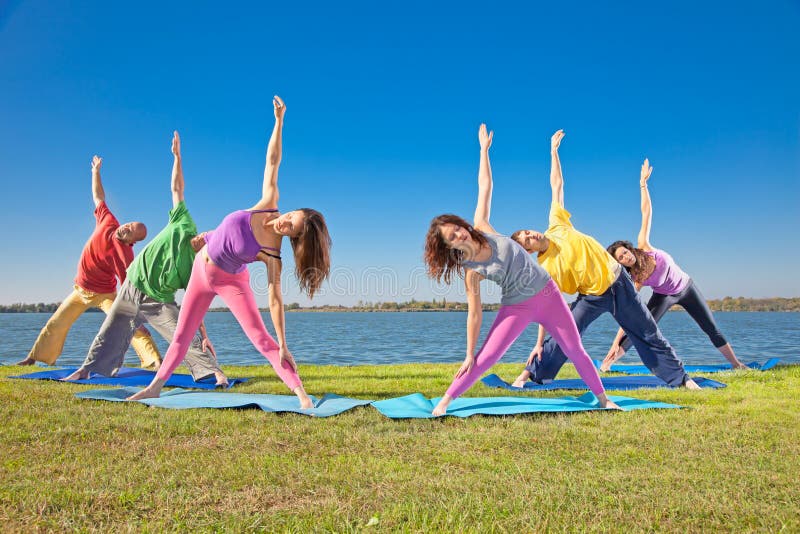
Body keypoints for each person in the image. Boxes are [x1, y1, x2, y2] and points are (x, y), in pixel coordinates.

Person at [127, 96, 331, 407]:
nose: (284, 223)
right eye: (291, 216)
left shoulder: (272, 254)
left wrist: (284, 343)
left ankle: (301, 393)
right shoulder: (269, 202)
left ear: (296, 237)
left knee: (264, 341)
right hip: (200, 269)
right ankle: (155, 387)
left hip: (230, 281)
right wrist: (279, 122)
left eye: (292, 227)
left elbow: (275, 300)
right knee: (182, 337)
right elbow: (273, 161)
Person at [424, 124, 618, 416]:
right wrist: (468, 353)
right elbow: (474, 314)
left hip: (549, 295)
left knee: (575, 349)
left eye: (457, 229)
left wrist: (483, 151)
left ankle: (604, 400)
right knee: (486, 357)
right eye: (452, 237)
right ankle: (445, 402)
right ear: (449, 248)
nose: (460, 235)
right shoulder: (471, 271)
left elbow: (485, 186)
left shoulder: (482, 227)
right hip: (516, 306)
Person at [510, 131, 699, 390]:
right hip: (592, 296)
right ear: (528, 251)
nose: (531, 234)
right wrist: (538, 342)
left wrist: (553, 153)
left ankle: (681, 379)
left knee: (647, 332)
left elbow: (556, 186)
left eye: (527, 231)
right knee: (566, 333)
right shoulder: (545, 269)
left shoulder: (556, 224)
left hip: (619, 283)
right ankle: (529, 376)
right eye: (526, 240)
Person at [64, 132, 228, 384]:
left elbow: (195, 306)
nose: (198, 239)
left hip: (159, 302)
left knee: (183, 335)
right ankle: (87, 369)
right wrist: (177, 157)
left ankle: (213, 371)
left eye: (203, 242)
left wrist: (204, 334)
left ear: (206, 250)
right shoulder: (183, 223)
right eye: (202, 236)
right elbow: (177, 188)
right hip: (132, 287)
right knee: (109, 332)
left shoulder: (195, 267)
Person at [601, 158, 747, 371]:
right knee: (642, 326)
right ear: (621, 264)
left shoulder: (644, 246)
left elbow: (646, 212)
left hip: (687, 288)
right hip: (664, 296)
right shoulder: (637, 279)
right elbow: (630, 312)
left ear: (629, 248)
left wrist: (643, 184)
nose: (625, 257)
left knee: (710, 327)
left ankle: (737, 364)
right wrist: (615, 343)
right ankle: (607, 365)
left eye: (624, 252)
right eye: (621, 259)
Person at [16, 156, 160, 369]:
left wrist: (136, 316)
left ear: (132, 242)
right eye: (129, 224)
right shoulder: (109, 222)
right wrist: (96, 172)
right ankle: (35, 358)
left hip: (105, 294)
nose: (125, 228)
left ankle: (154, 360)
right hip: (81, 289)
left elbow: (130, 288)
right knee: (56, 323)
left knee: (127, 323)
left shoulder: (126, 256)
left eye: (130, 231)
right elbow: (98, 197)